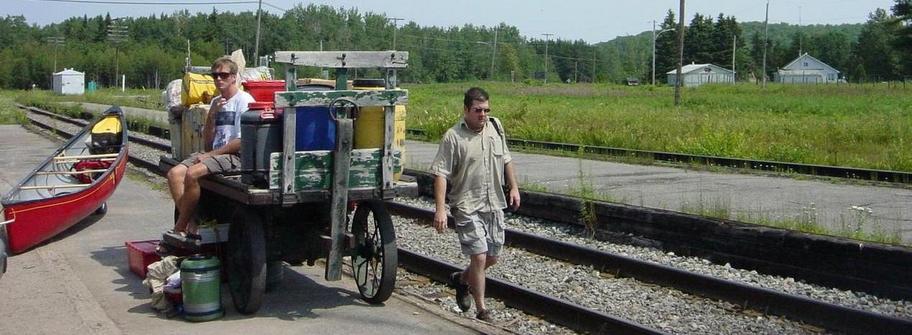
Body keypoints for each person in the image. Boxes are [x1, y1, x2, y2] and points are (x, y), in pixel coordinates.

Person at [430, 87, 520, 322]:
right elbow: (441, 174)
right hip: (466, 204)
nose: (483, 115)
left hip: (493, 203)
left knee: (492, 256)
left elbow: (507, 159)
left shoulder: (495, 127)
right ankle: (482, 309)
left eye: (486, 110)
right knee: (479, 257)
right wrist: (440, 209)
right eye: (478, 110)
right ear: (466, 110)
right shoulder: (453, 136)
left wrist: (514, 187)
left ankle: (461, 280)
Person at [166, 57, 255, 236]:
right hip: (216, 153)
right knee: (174, 174)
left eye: (223, 75)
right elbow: (207, 143)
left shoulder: (243, 101)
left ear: (233, 77)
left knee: (192, 174)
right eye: (215, 75)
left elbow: (241, 141)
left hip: (235, 156)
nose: (218, 79)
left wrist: (211, 155)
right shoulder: (215, 102)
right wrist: (212, 115)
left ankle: (180, 227)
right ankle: (191, 221)